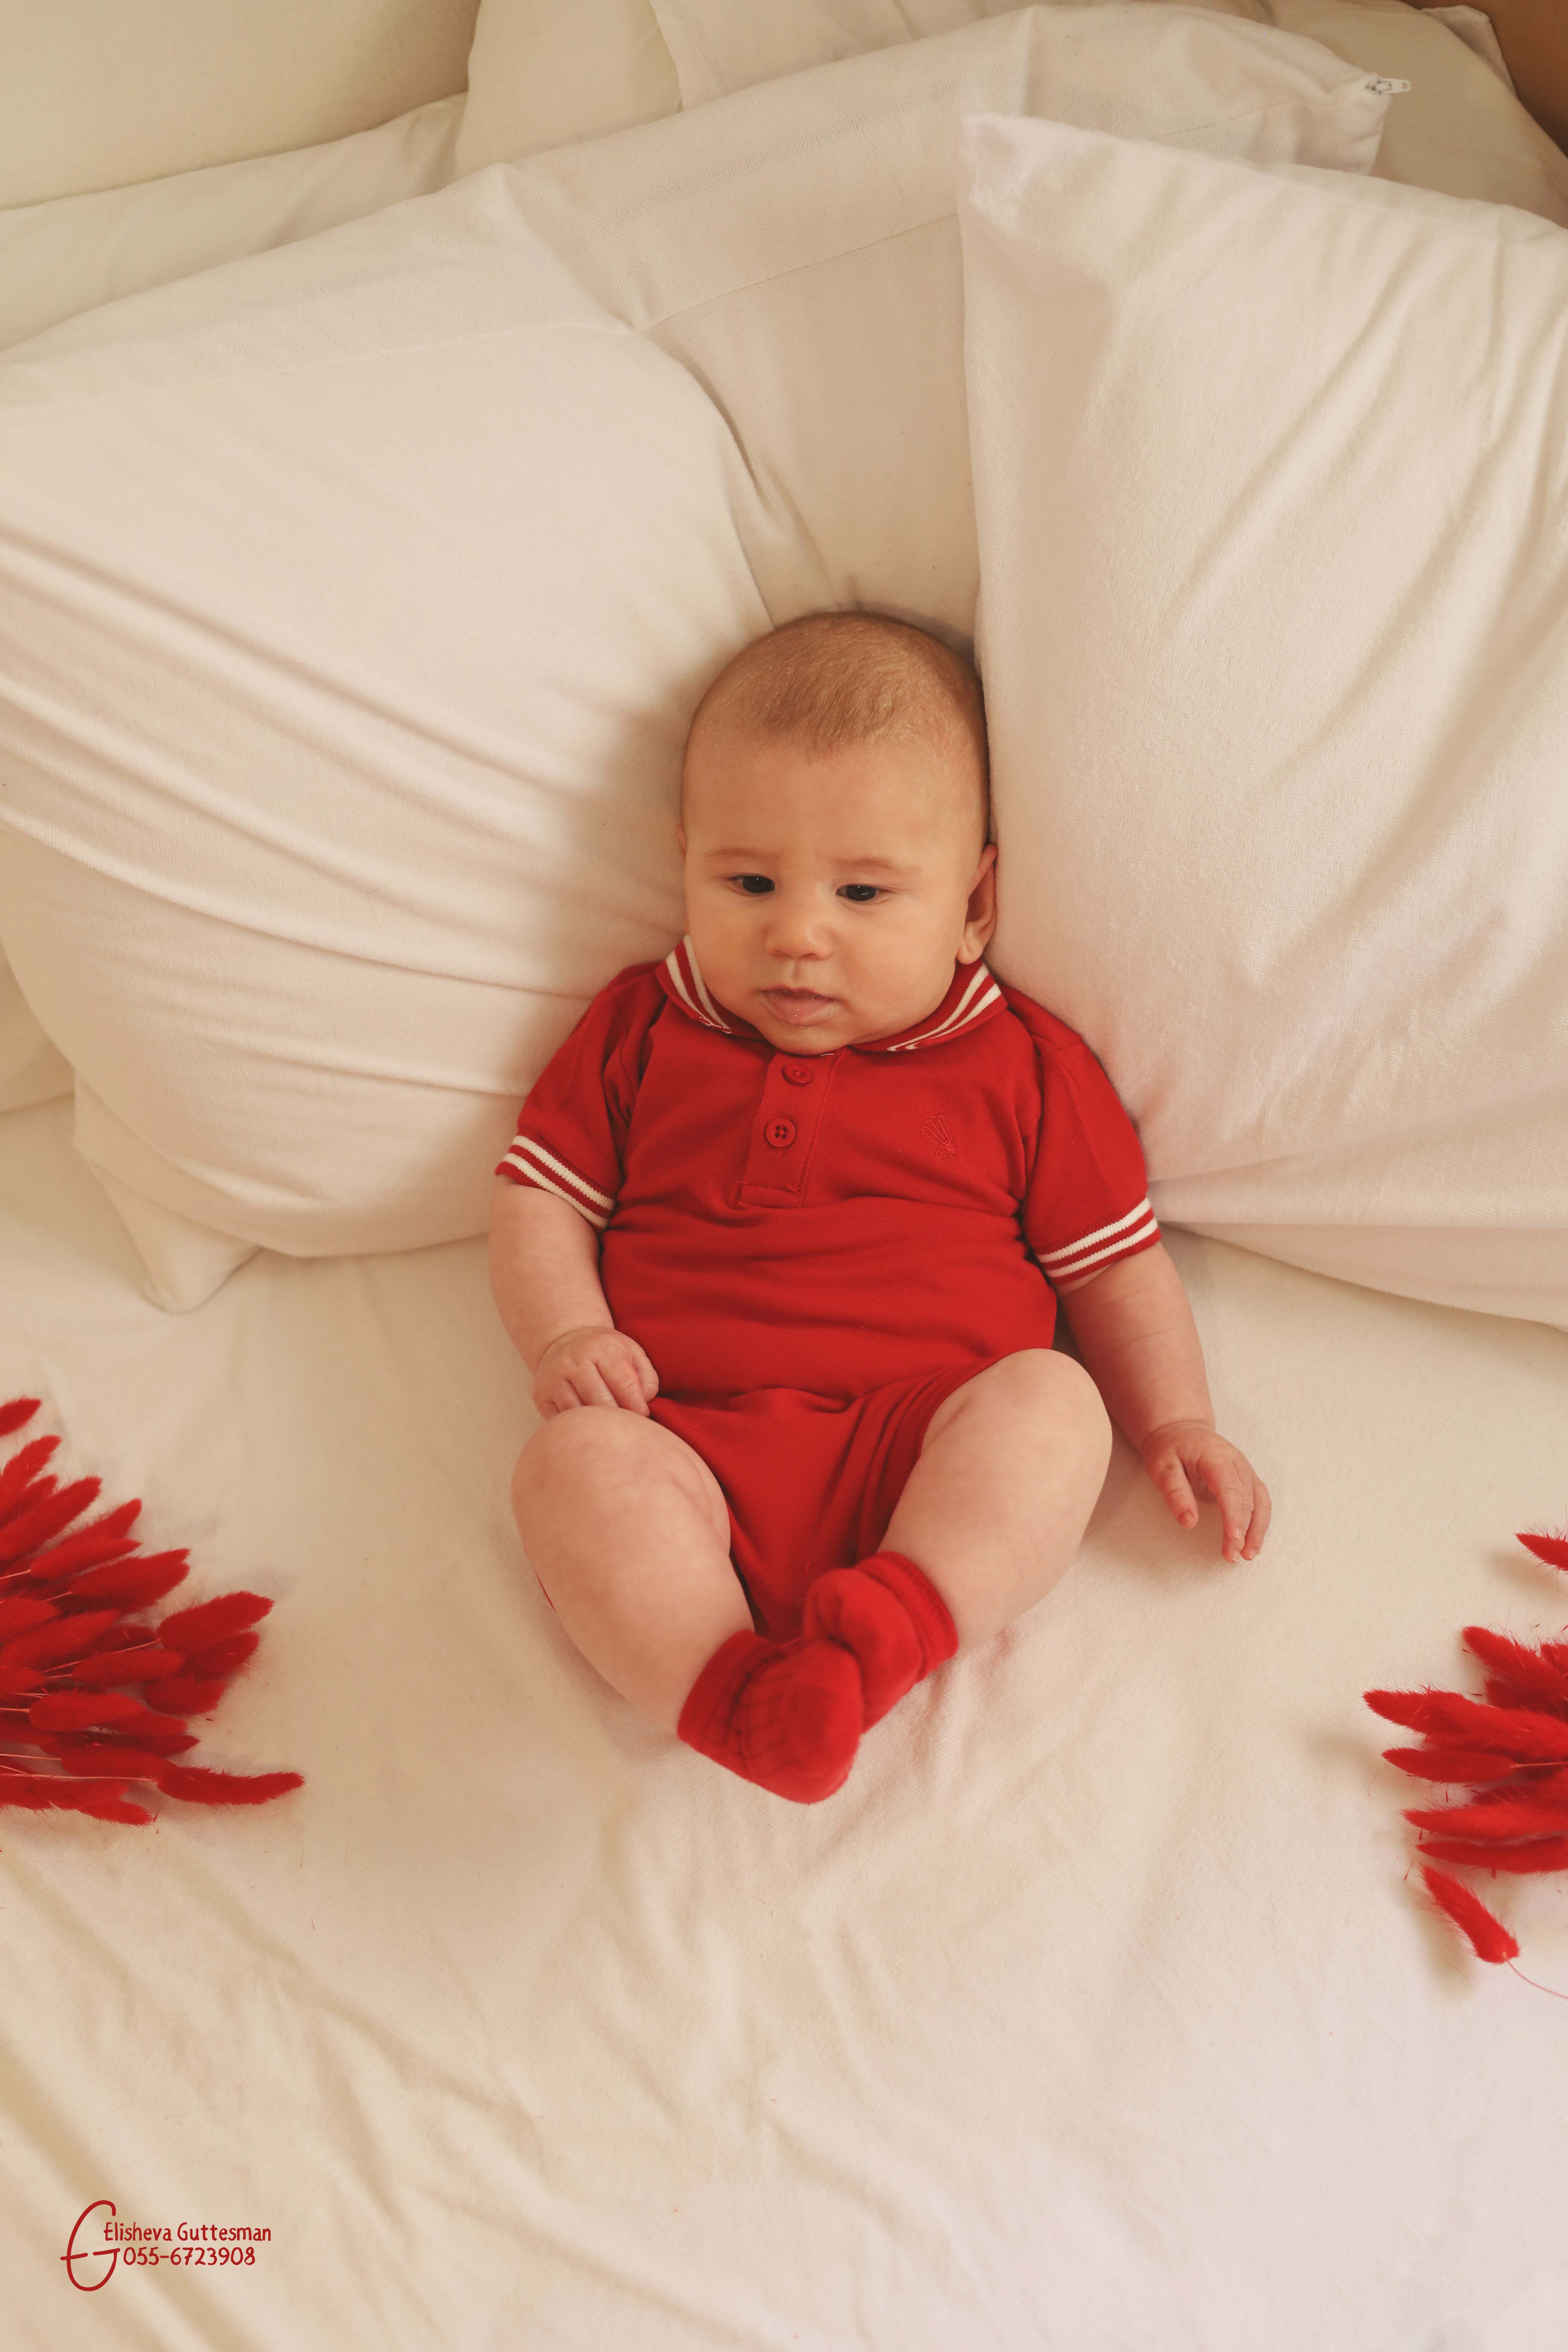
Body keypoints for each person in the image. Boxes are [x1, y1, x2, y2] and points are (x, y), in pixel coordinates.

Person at [489, 611, 1270, 1802]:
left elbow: (1114, 1269)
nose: (798, 934)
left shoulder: (1023, 1065)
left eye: (862, 891)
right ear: (684, 863)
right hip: (683, 1435)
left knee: (1055, 1406)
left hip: (926, 1437)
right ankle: (738, 1695)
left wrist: (1176, 1422)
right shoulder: (644, 1029)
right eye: (748, 882)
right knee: (567, 1468)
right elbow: (539, 1199)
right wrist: (566, 1334)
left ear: (973, 905)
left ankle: (887, 1631)